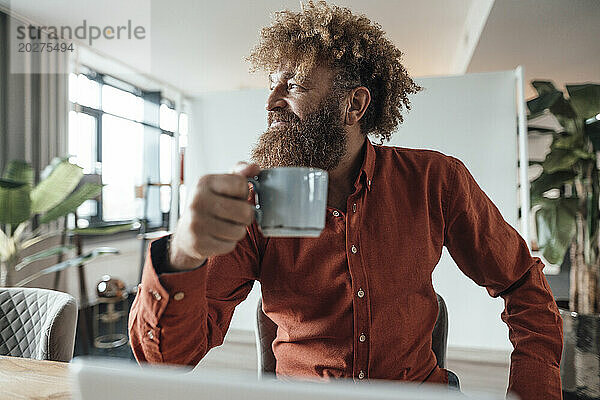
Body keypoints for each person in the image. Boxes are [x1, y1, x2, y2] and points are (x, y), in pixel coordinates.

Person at [128, 2, 563, 399]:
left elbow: (523, 284)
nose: (271, 102)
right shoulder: (252, 203)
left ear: (353, 104)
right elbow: (165, 361)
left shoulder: (436, 180)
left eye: (292, 85)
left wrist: (532, 391)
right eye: (271, 85)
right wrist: (184, 252)